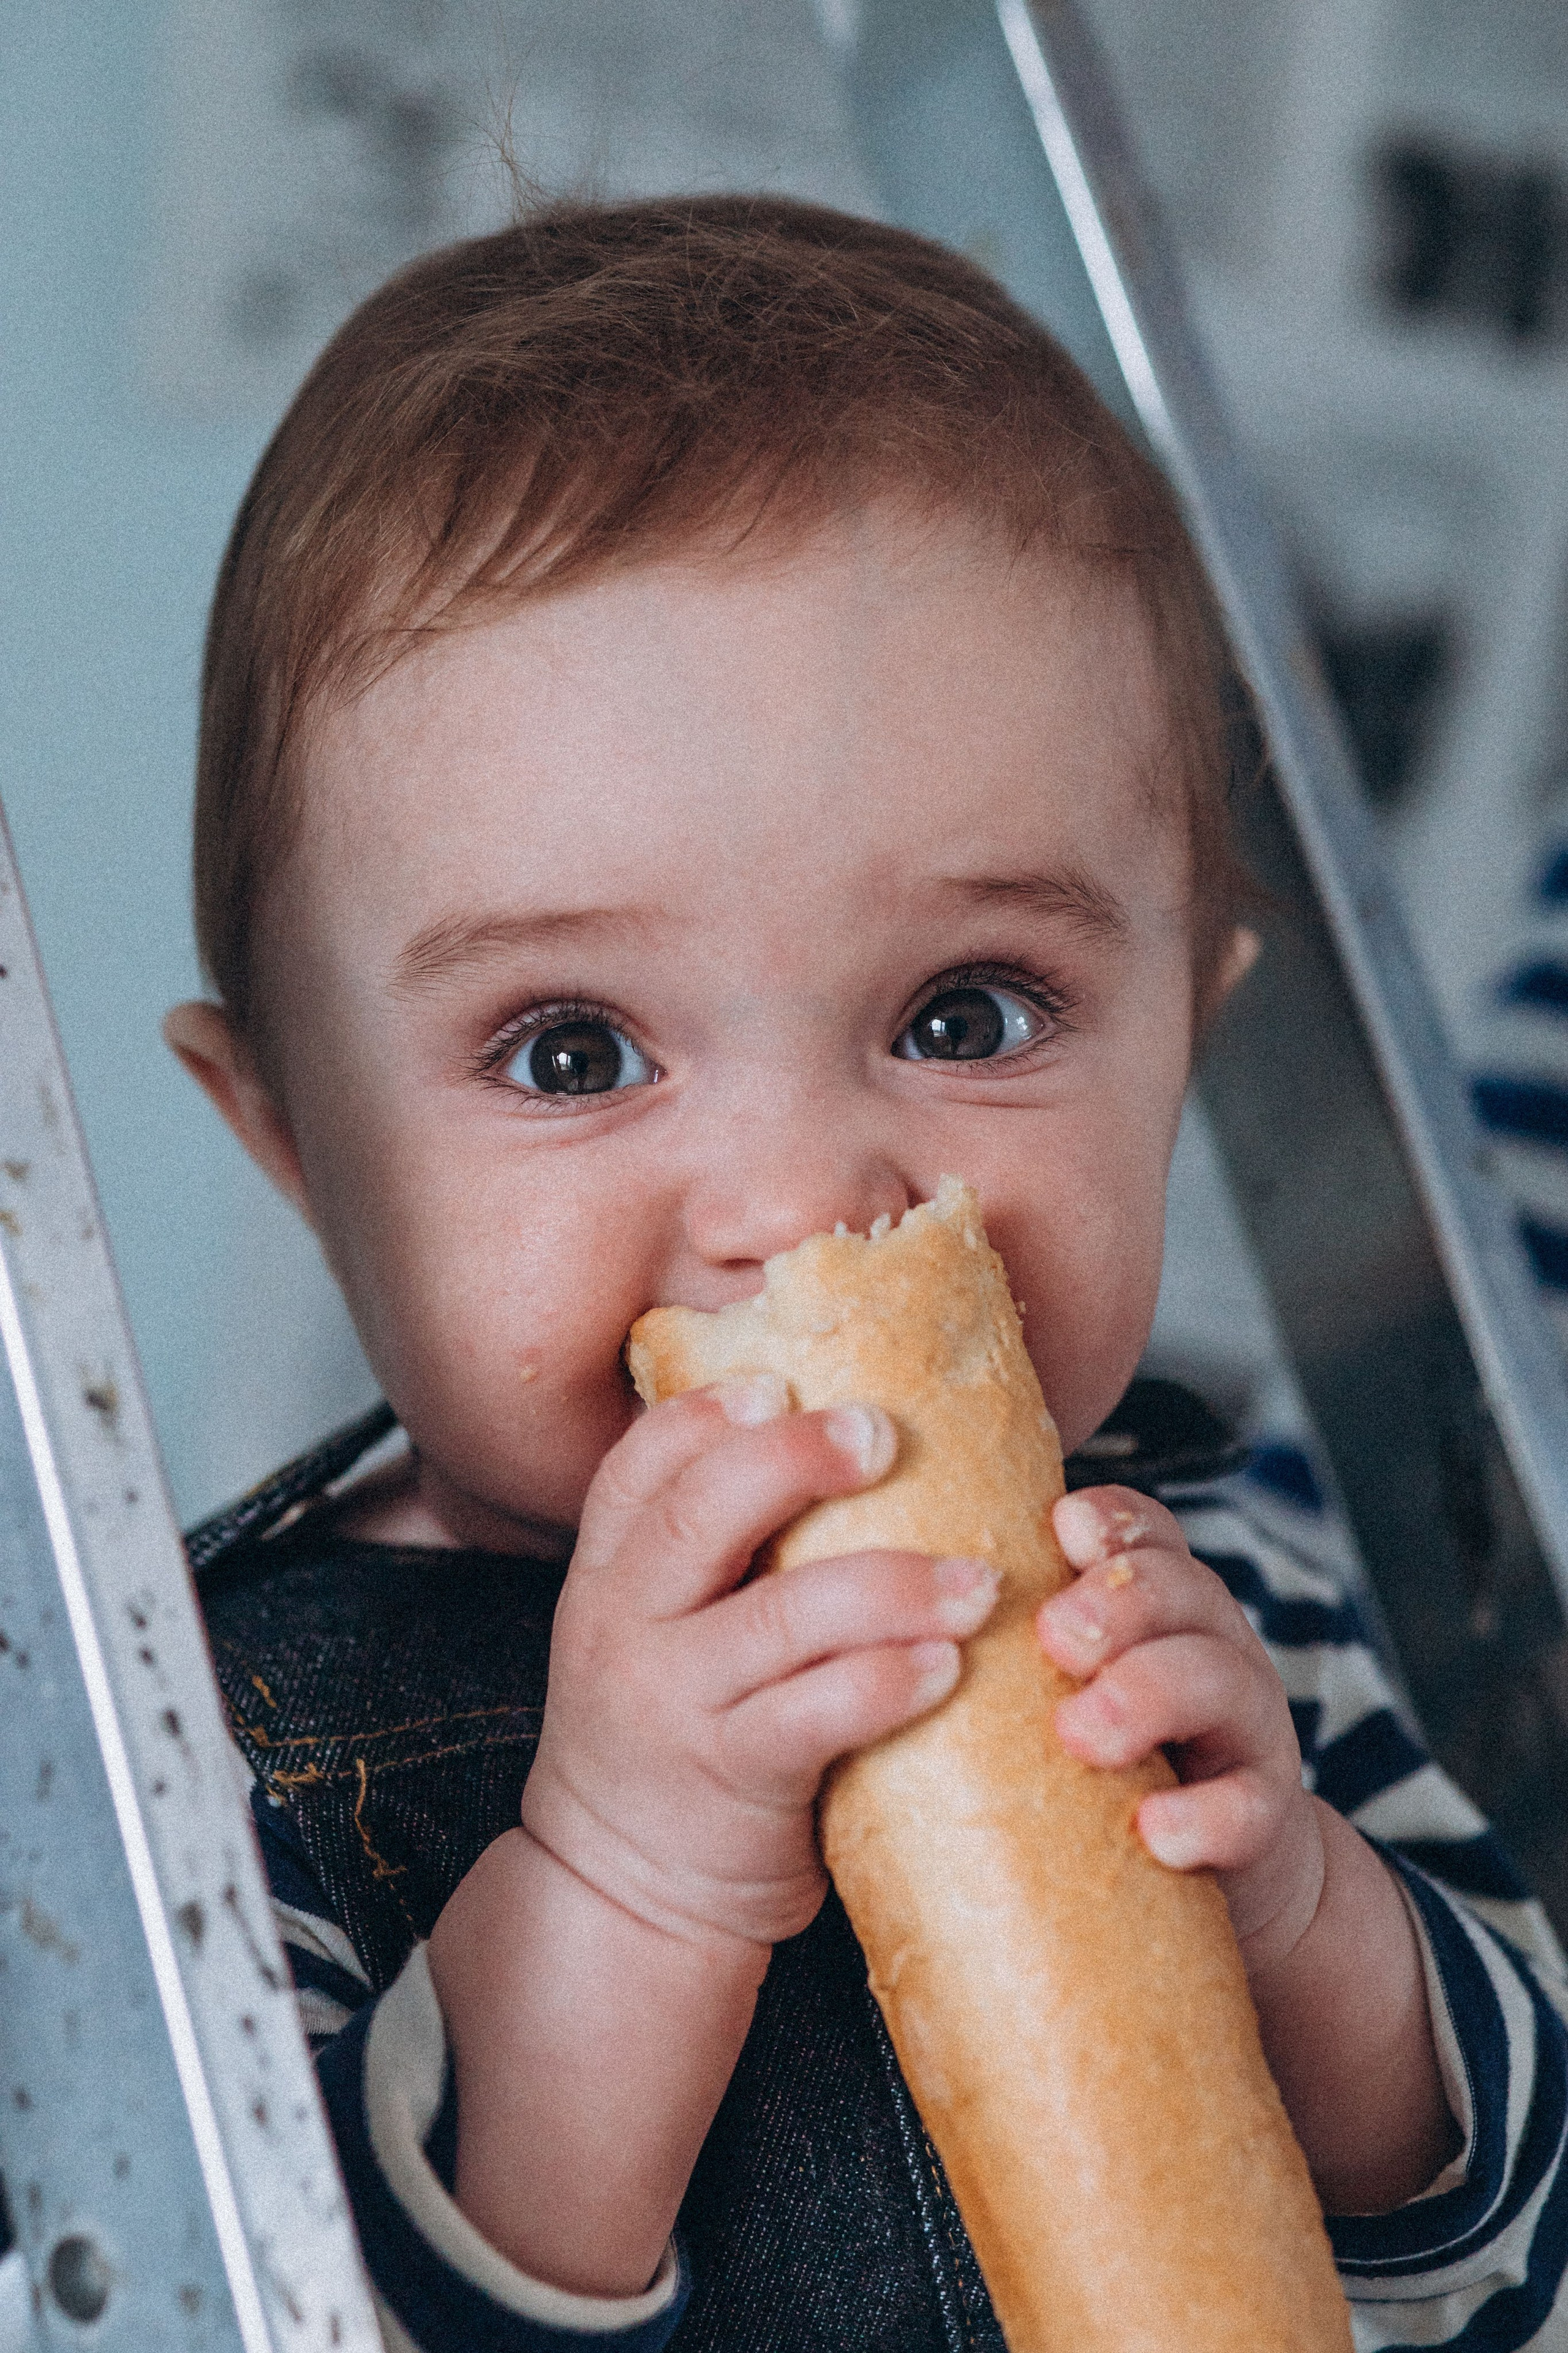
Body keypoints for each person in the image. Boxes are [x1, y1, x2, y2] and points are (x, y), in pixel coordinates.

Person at [167, 196, 1568, 2351]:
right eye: (573, 1051)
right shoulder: (209, 1761)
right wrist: (624, 1886)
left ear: (1184, 1039)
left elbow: (1513, 2263)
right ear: (290, 1140)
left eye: (967, 1013)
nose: (805, 1201)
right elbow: (242, 2313)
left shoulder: (1222, 1623)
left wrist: (1309, 1927)